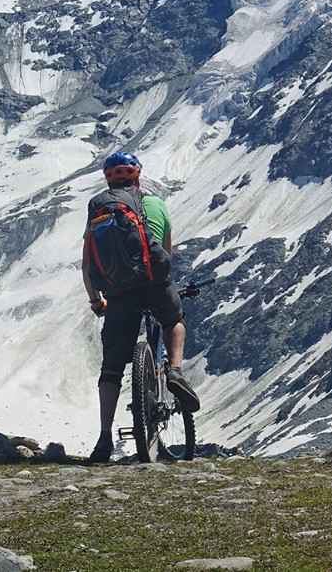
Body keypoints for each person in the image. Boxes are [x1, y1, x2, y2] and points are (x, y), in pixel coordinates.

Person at [82, 151, 200, 463]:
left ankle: (104, 440)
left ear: (108, 179)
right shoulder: (156, 205)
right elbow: (168, 256)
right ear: (138, 176)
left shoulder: (99, 209)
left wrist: (97, 302)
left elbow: (88, 262)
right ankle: (174, 371)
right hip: (155, 286)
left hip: (119, 294)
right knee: (174, 320)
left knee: (110, 369)